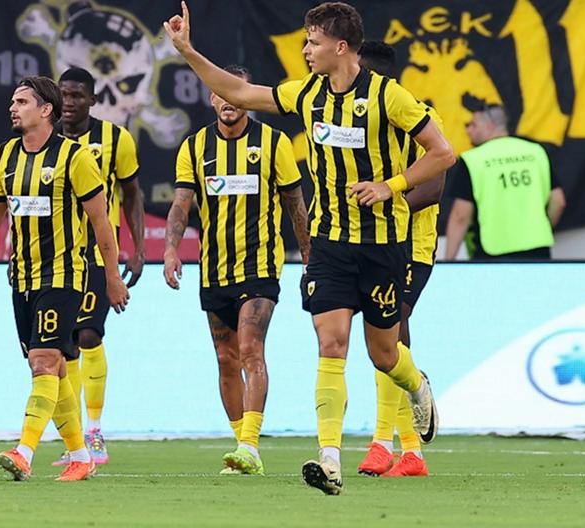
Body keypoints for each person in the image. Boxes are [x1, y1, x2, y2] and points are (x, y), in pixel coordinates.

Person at [164, 1, 455, 494]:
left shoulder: (388, 96)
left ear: (340, 47)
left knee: (384, 354)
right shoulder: (306, 94)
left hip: (383, 243)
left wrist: (391, 186)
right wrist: (187, 50)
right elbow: (238, 91)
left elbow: (443, 152)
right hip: (330, 243)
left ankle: (417, 384)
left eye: (313, 42)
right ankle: (330, 459)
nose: (305, 50)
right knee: (331, 344)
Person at [0, 76, 129, 482]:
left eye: (22, 102)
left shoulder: (75, 158)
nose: (13, 108)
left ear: (46, 110)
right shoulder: (6, 155)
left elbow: (101, 221)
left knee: (44, 360)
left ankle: (24, 450)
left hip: (63, 275)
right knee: (52, 368)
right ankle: (80, 456)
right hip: (22, 278)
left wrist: (112, 277)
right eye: (13, 101)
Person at [164, 65, 311, 475]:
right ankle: (241, 446)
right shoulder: (194, 146)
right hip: (214, 271)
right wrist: (172, 250)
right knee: (226, 359)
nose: (228, 101)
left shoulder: (274, 143)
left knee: (250, 350)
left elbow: (295, 204)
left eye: (236, 93)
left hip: (260, 268)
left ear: (248, 97)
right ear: (212, 97)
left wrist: (309, 257)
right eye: (221, 93)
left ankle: (250, 446)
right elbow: (181, 204)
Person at [356, 41, 445, 478]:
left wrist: (387, 201)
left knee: (392, 331)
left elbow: (434, 187)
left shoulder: (420, 116)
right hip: (373, 242)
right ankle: (408, 451)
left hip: (413, 246)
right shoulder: (360, 120)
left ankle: (385, 443)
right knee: (385, 339)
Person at [52, 67, 145, 467]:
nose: (69, 102)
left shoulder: (115, 139)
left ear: (92, 99)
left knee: (89, 334)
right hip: (56, 256)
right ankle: (74, 437)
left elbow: (132, 193)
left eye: (77, 95)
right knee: (65, 345)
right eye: (63, 94)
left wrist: (138, 249)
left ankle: (94, 430)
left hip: (97, 254)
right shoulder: (45, 141)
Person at [445, 104, 565, 260]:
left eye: (473, 124)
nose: (468, 130)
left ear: (490, 125)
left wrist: (448, 261)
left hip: (493, 252)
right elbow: (558, 201)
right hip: (538, 249)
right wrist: (542, 230)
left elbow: (460, 216)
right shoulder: (536, 151)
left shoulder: (473, 160)